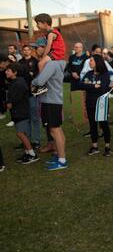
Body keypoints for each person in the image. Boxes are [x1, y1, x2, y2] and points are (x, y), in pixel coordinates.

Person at [31, 37, 67, 171]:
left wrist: (32, 82)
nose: (35, 50)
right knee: (56, 130)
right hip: (50, 100)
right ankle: (59, 155)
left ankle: (62, 160)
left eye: (37, 47)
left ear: (46, 48)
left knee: (55, 130)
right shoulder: (52, 63)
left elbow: (39, 81)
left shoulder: (51, 64)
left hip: (51, 101)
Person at [76, 55, 112, 156]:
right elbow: (80, 85)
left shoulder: (105, 74)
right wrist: (93, 86)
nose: (89, 63)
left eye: (91, 61)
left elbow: (103, 89)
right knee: (92, 125)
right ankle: (94, 146)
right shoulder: (89, 73)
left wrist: (89, 86)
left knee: (104, 125)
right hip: (90, 103)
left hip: (101, 104)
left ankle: (107, 147)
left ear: (97, 62)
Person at [5, 63, 39, 164]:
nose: (6, 72)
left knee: (21, 133)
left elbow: (15, 99)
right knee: (21, 133)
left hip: (21, 112)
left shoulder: (19, 83)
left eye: (8, 70)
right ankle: (27, 152)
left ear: (15, 72)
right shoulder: (15, 82)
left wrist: (8, 103)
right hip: (17, 112)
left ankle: (32, 154)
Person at [33, 13, 66, 96]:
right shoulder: (49, 33)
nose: (37, 26)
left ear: (45, 23)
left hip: (57, 52)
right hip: (55, 52)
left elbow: (48, 46)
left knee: (40, 63)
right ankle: (44, 81)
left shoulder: (51, 33)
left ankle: (42, 86)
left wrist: (44, 56)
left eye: (38, 23)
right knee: (43, 64)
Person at [18, 45, 41, 149]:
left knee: (35, 117)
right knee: (25, 118)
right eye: (24, 50)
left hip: (33, 91)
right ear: (22, 51)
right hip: (23, 93)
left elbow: (38, 76)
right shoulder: (20, 62)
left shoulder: (35, 61)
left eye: (28, 50)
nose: (26, 51)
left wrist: (32, 75)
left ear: (30, 51)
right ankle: (26, 140)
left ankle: (36, 140)